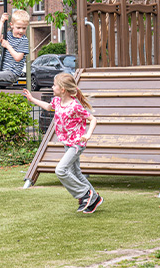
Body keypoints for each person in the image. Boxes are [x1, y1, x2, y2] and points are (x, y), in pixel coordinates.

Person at [23, 73, 104, 214]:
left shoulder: (75, 106)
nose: (52, 87)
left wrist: (88, 134)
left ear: (63, 89)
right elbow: (48, 107)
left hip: (77, 144)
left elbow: (93, 119)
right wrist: (32, 99)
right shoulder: (56, 101)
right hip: (67, 143)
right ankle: (94, 198)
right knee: (76, 173)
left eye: (54, 85)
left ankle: (84, 194)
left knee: (60, 170)